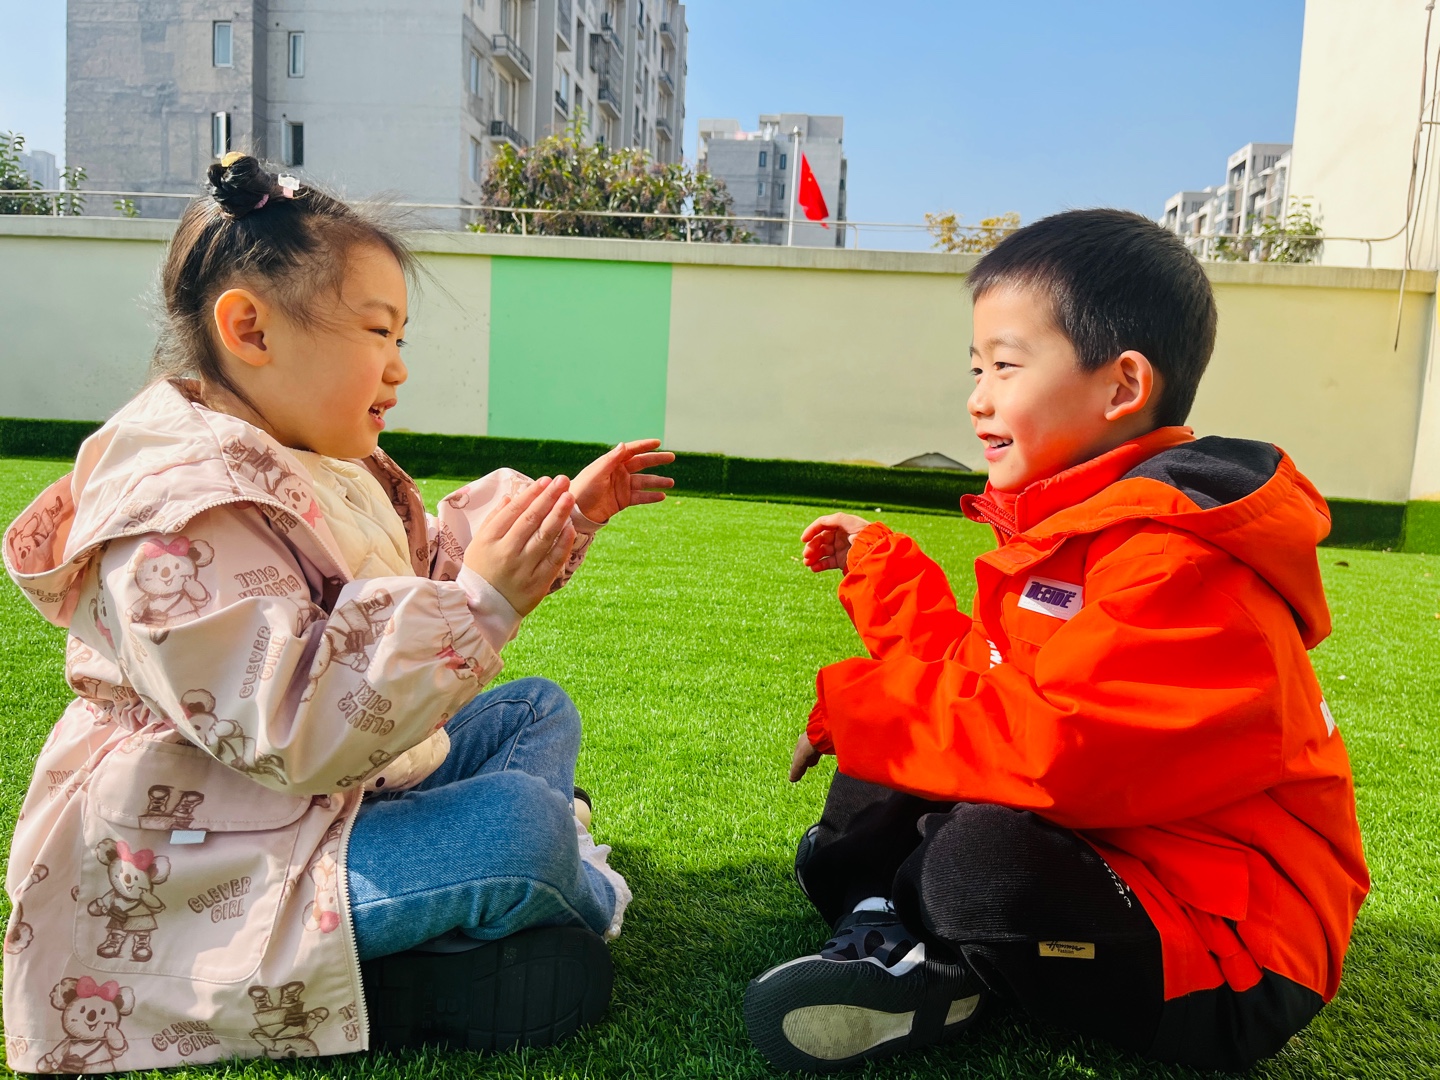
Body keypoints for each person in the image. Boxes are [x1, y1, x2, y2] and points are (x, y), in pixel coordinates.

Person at [2, 153, 674, 1073]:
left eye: (402, 337)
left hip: (330, 798)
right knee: (523, 828)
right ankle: (533, 895)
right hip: (214, 864)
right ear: (251, 329)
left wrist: (560, 521)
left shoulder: (313, 458)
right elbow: (289, 725)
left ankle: (461, 909)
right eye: (378, 331)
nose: (398, 367)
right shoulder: (177, 517)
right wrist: (480, 606)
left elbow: (414, 573)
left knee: (534, 710)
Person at [744, 209, 1369, 1073]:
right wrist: (880, 568)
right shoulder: (1078, 528)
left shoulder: (1182, 561)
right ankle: (891, 927)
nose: (978, 397)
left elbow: (1060, 747)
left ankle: (929, 944)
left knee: (969, 860)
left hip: (1231, 948)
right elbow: (983, 676)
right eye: (975, 368)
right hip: (1114, 848)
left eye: (1005, 366)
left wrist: (853, 711)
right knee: (903, 747)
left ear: (1122, 387)